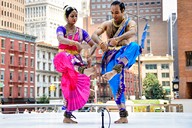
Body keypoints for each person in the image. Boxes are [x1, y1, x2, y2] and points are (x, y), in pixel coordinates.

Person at [91, 1, 142, 123]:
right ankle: (123, 115)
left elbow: (133, 32)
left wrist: (118, 39)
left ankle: (117, 68)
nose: (114, 15)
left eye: (117, 12)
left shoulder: (130, 22)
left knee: (135, 46)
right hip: (110, 56)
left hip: (124, 54)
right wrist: (100, 43)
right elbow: (94, 35)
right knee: (115, 86)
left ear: (123, 11)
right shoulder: (107, 24)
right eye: (112, 13)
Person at [53, 5, 97, 124]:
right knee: (67, 57)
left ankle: (67, 115)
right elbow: (61, 39)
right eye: (72, 16)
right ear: (66, 17)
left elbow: (94, 45)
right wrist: (74, 42)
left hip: (76, 63)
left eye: (76, 16)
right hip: (63, 60)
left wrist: (90, 56)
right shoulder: (61, 29)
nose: (75, 18)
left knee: (70, 88)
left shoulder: (82, 32)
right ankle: (82, 70)